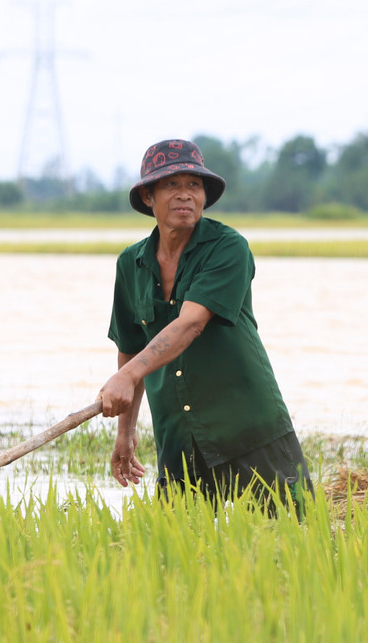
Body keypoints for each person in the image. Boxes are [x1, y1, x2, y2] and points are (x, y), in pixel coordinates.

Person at [98, 138, 311, 510]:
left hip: (248, 429)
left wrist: (127, 376)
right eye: (171, 185)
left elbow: (190, 324)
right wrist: (125, 432)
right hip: (178, 440)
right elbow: (130, 347)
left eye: (193, 185)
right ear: (148, 196)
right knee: (178, 542)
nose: (185, 194)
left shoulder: (228, 248)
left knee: (293, 533)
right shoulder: (131, 265)